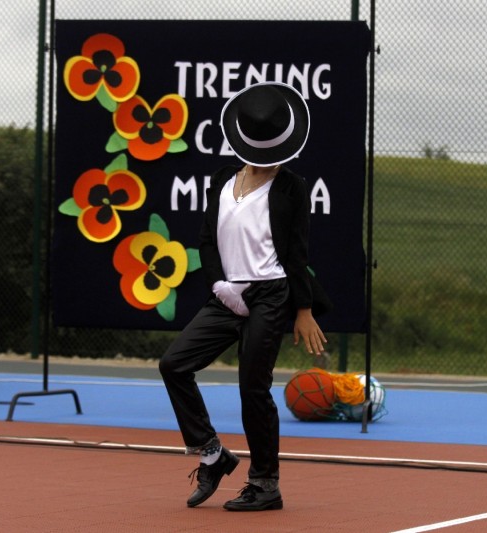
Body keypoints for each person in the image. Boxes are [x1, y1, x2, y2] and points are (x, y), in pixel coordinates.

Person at [158, 82, 330, 512]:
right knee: (173, 364)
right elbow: (206, 241)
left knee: (253, 387)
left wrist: (303, 309)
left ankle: (265, 484)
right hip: (226, 295)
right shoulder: (222, 179)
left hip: (271, 294)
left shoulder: (291, 188)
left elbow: (297, 254)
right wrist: (219, 285)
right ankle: (212, 454)